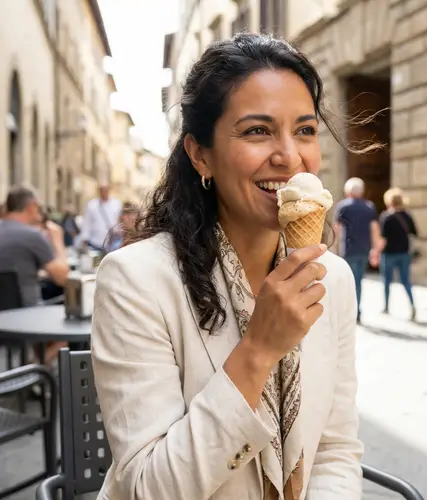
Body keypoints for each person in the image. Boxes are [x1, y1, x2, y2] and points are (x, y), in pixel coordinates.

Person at [92, 34, 363, 500]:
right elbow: (147, 489)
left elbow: (335, 450)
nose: (289, 156)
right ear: (200, 154)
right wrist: (257, 351)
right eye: (257, 131)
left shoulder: (332, 279)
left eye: (304, 130)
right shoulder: (134, 280)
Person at [0, 186, 69, 307]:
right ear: (32, 207)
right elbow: (63, 278)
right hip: (27, 315)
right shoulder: (32, 236)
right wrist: (57, 240)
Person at [334, 177, 382, 323]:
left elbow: (336, 230)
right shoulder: (369, 207)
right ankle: (357, 311)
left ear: (348, 191)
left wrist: (333, 250)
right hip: (364, 249)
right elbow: (374, 229)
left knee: (347, 281)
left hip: (347, 249)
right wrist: (375, 250)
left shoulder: (343, 206)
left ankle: (347, 311)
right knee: (358, 281)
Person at [379, 188, 418, 320]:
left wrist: (376, 251)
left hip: (389, 253)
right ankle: (412, 306)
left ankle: (386, 306)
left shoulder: (386, 216)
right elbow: (415, 233)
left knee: (386, 281)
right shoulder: (407, 215)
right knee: (406, 280)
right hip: (404, 253)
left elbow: (383, 238)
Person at [79, 183, 122, 252]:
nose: (103, 192)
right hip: (94, 242)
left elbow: (119, 221)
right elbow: (87, 223)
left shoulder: (117, 204)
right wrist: (84, 238)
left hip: (112, 243)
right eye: (101, 190)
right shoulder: (92, 205)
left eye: (105, 190)